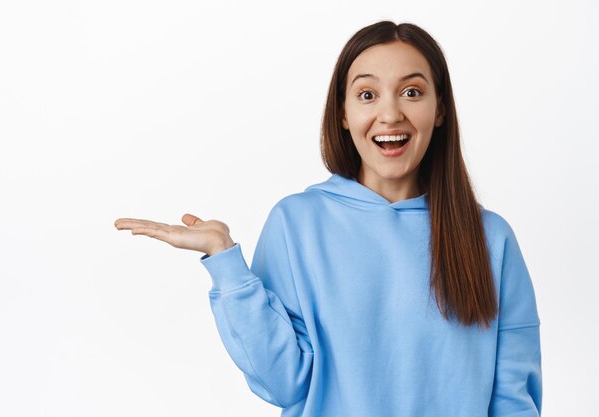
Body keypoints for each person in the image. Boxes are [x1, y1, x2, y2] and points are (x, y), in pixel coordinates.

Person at [115, 20, 542, 417]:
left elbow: (513, 401)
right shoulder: (297, 224)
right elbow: (282, 383)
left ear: (441, 109)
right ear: (342, 113)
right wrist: (224, 261)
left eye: (412, 92)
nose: (390, 114)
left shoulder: (491, 239)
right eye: (367, 95)